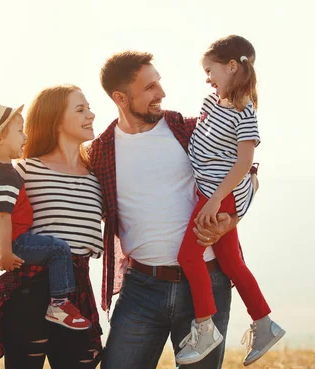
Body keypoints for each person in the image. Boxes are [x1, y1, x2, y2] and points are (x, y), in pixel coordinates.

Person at [89, 51, 247, 369]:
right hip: (140, 289)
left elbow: (248, 173)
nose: (161, 93)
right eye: (149, 87)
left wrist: (231, 219)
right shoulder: (100, 151)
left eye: (159, 83)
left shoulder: (190, 131)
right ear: (120, 97)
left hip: (207, 282)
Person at [0, 85, 103, 369]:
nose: (91, 114)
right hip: (30, 289)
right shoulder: (23, 169)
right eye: (80, 109)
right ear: (55, 119)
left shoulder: (97, 175)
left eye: (89, 108)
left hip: (76, 289)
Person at [175, 35, 285, 367]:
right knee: (232, 263)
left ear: (232, 67)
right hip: (210, 194)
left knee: (187, 256)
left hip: (217, 196)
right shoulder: (211, 104)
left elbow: (242, 163)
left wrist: (215, 202)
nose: (207, 78)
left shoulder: (245, 112)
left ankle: (205, 327)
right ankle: (264, 324)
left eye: (210, 70)